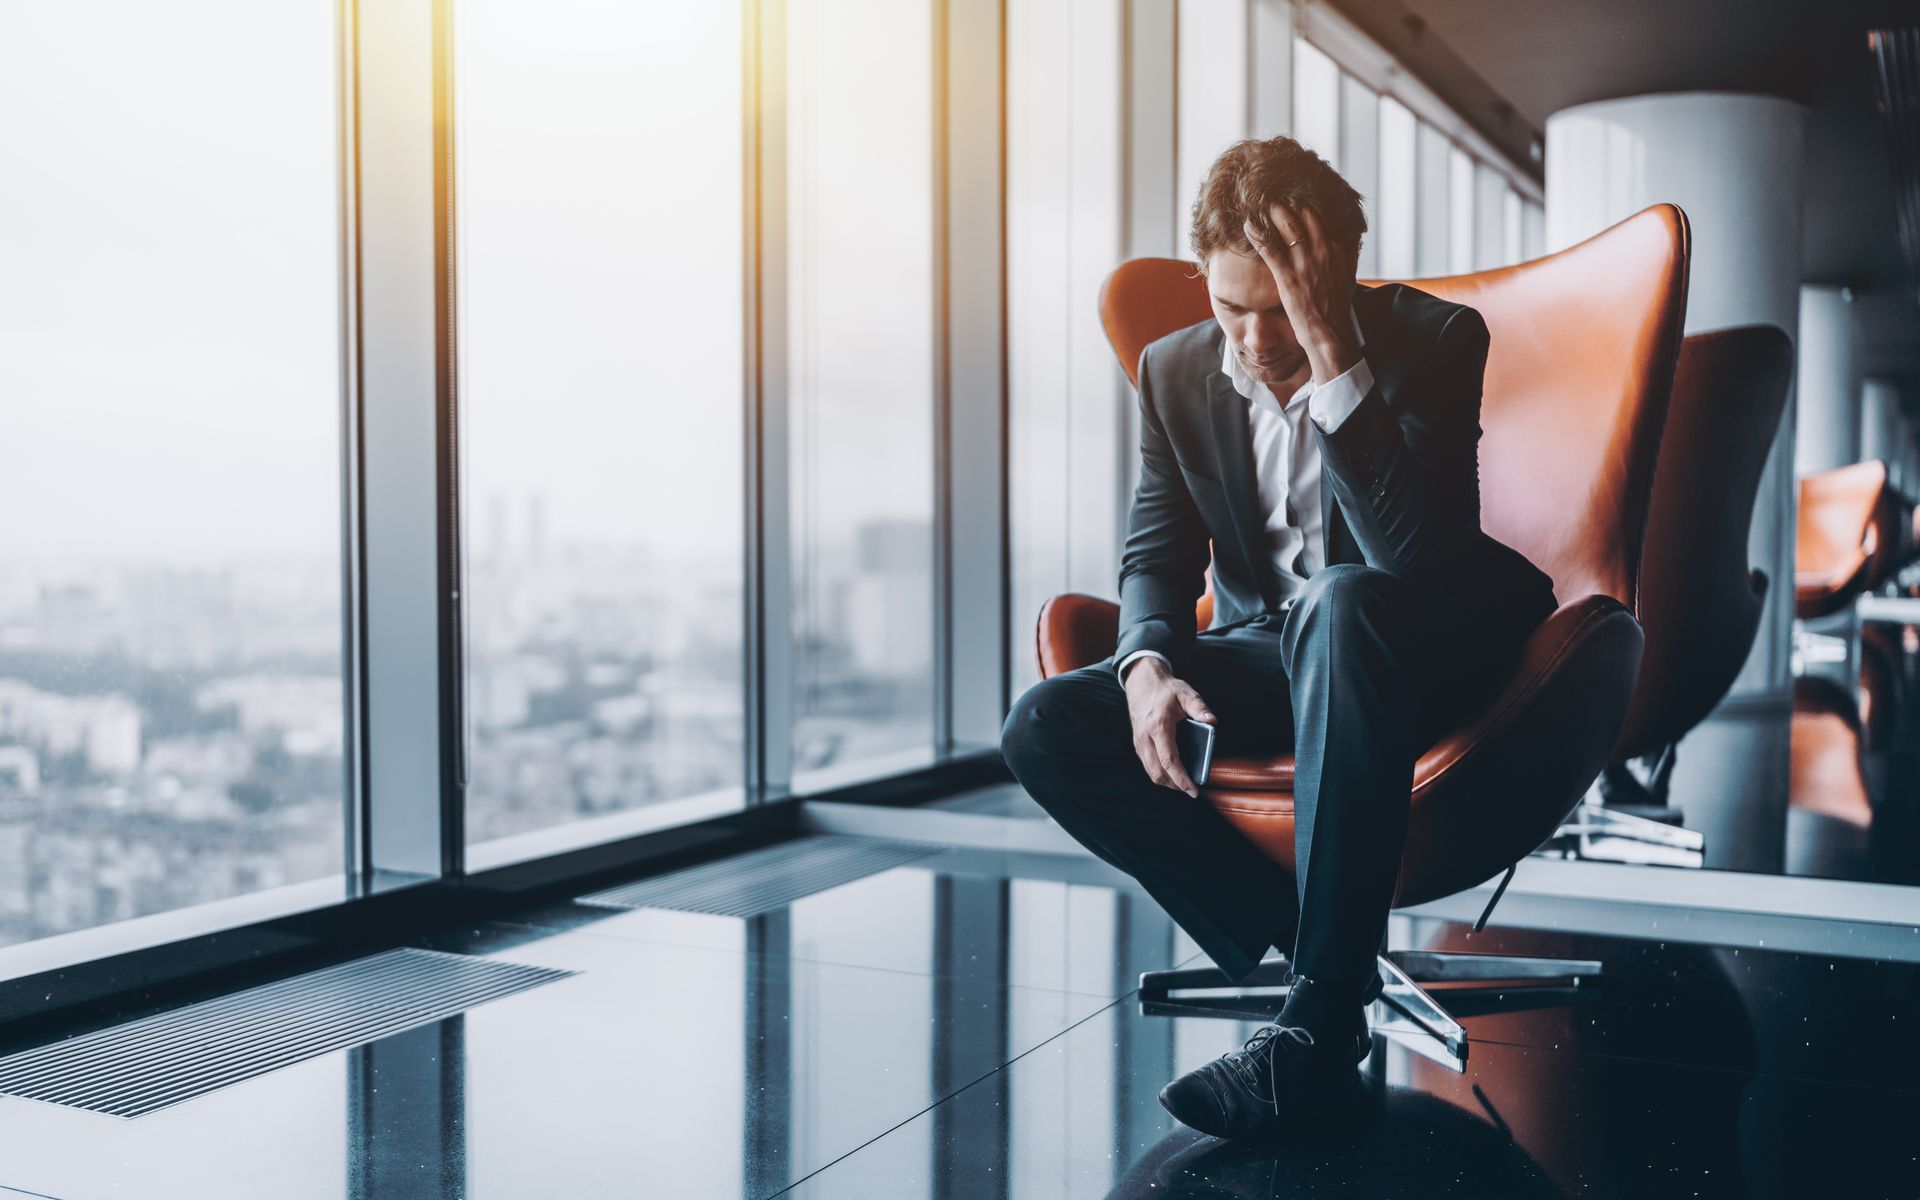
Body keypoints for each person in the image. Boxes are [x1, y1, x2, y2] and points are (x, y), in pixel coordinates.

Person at [998, 135, 1557, 1140]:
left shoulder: (1434, 341)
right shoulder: (1173, 370)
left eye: (1282, 306)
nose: (1256, 338)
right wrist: (1149, 668)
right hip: (1274, 645)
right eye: (1229, 306)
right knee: (1043, 726)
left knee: (1343, 599)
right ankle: (1305, 950)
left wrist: (1335, 353)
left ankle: (1319, 1024)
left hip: (1418, 638)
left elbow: (1414, 562)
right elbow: (1157, 550)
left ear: (1335, 274)